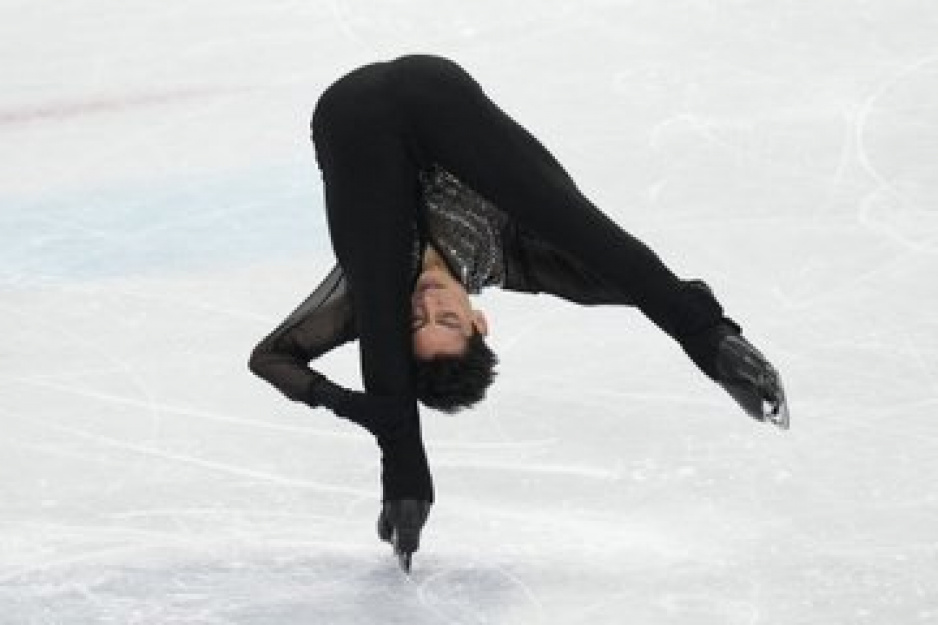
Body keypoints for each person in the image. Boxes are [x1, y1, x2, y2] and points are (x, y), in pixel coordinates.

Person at [248, 54, 789, 571]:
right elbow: (621, 270)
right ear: (479, 321)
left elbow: (271, 357)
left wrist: (362, 411)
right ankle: (708, 341)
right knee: (568, 222)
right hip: (437, 98)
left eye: (417, 323)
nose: (429, 305)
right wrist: (705, 327)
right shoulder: (519, 261)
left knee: (377, 292)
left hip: (353, 116)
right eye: (449, 320)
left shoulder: (363, 300)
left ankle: (403, 457)